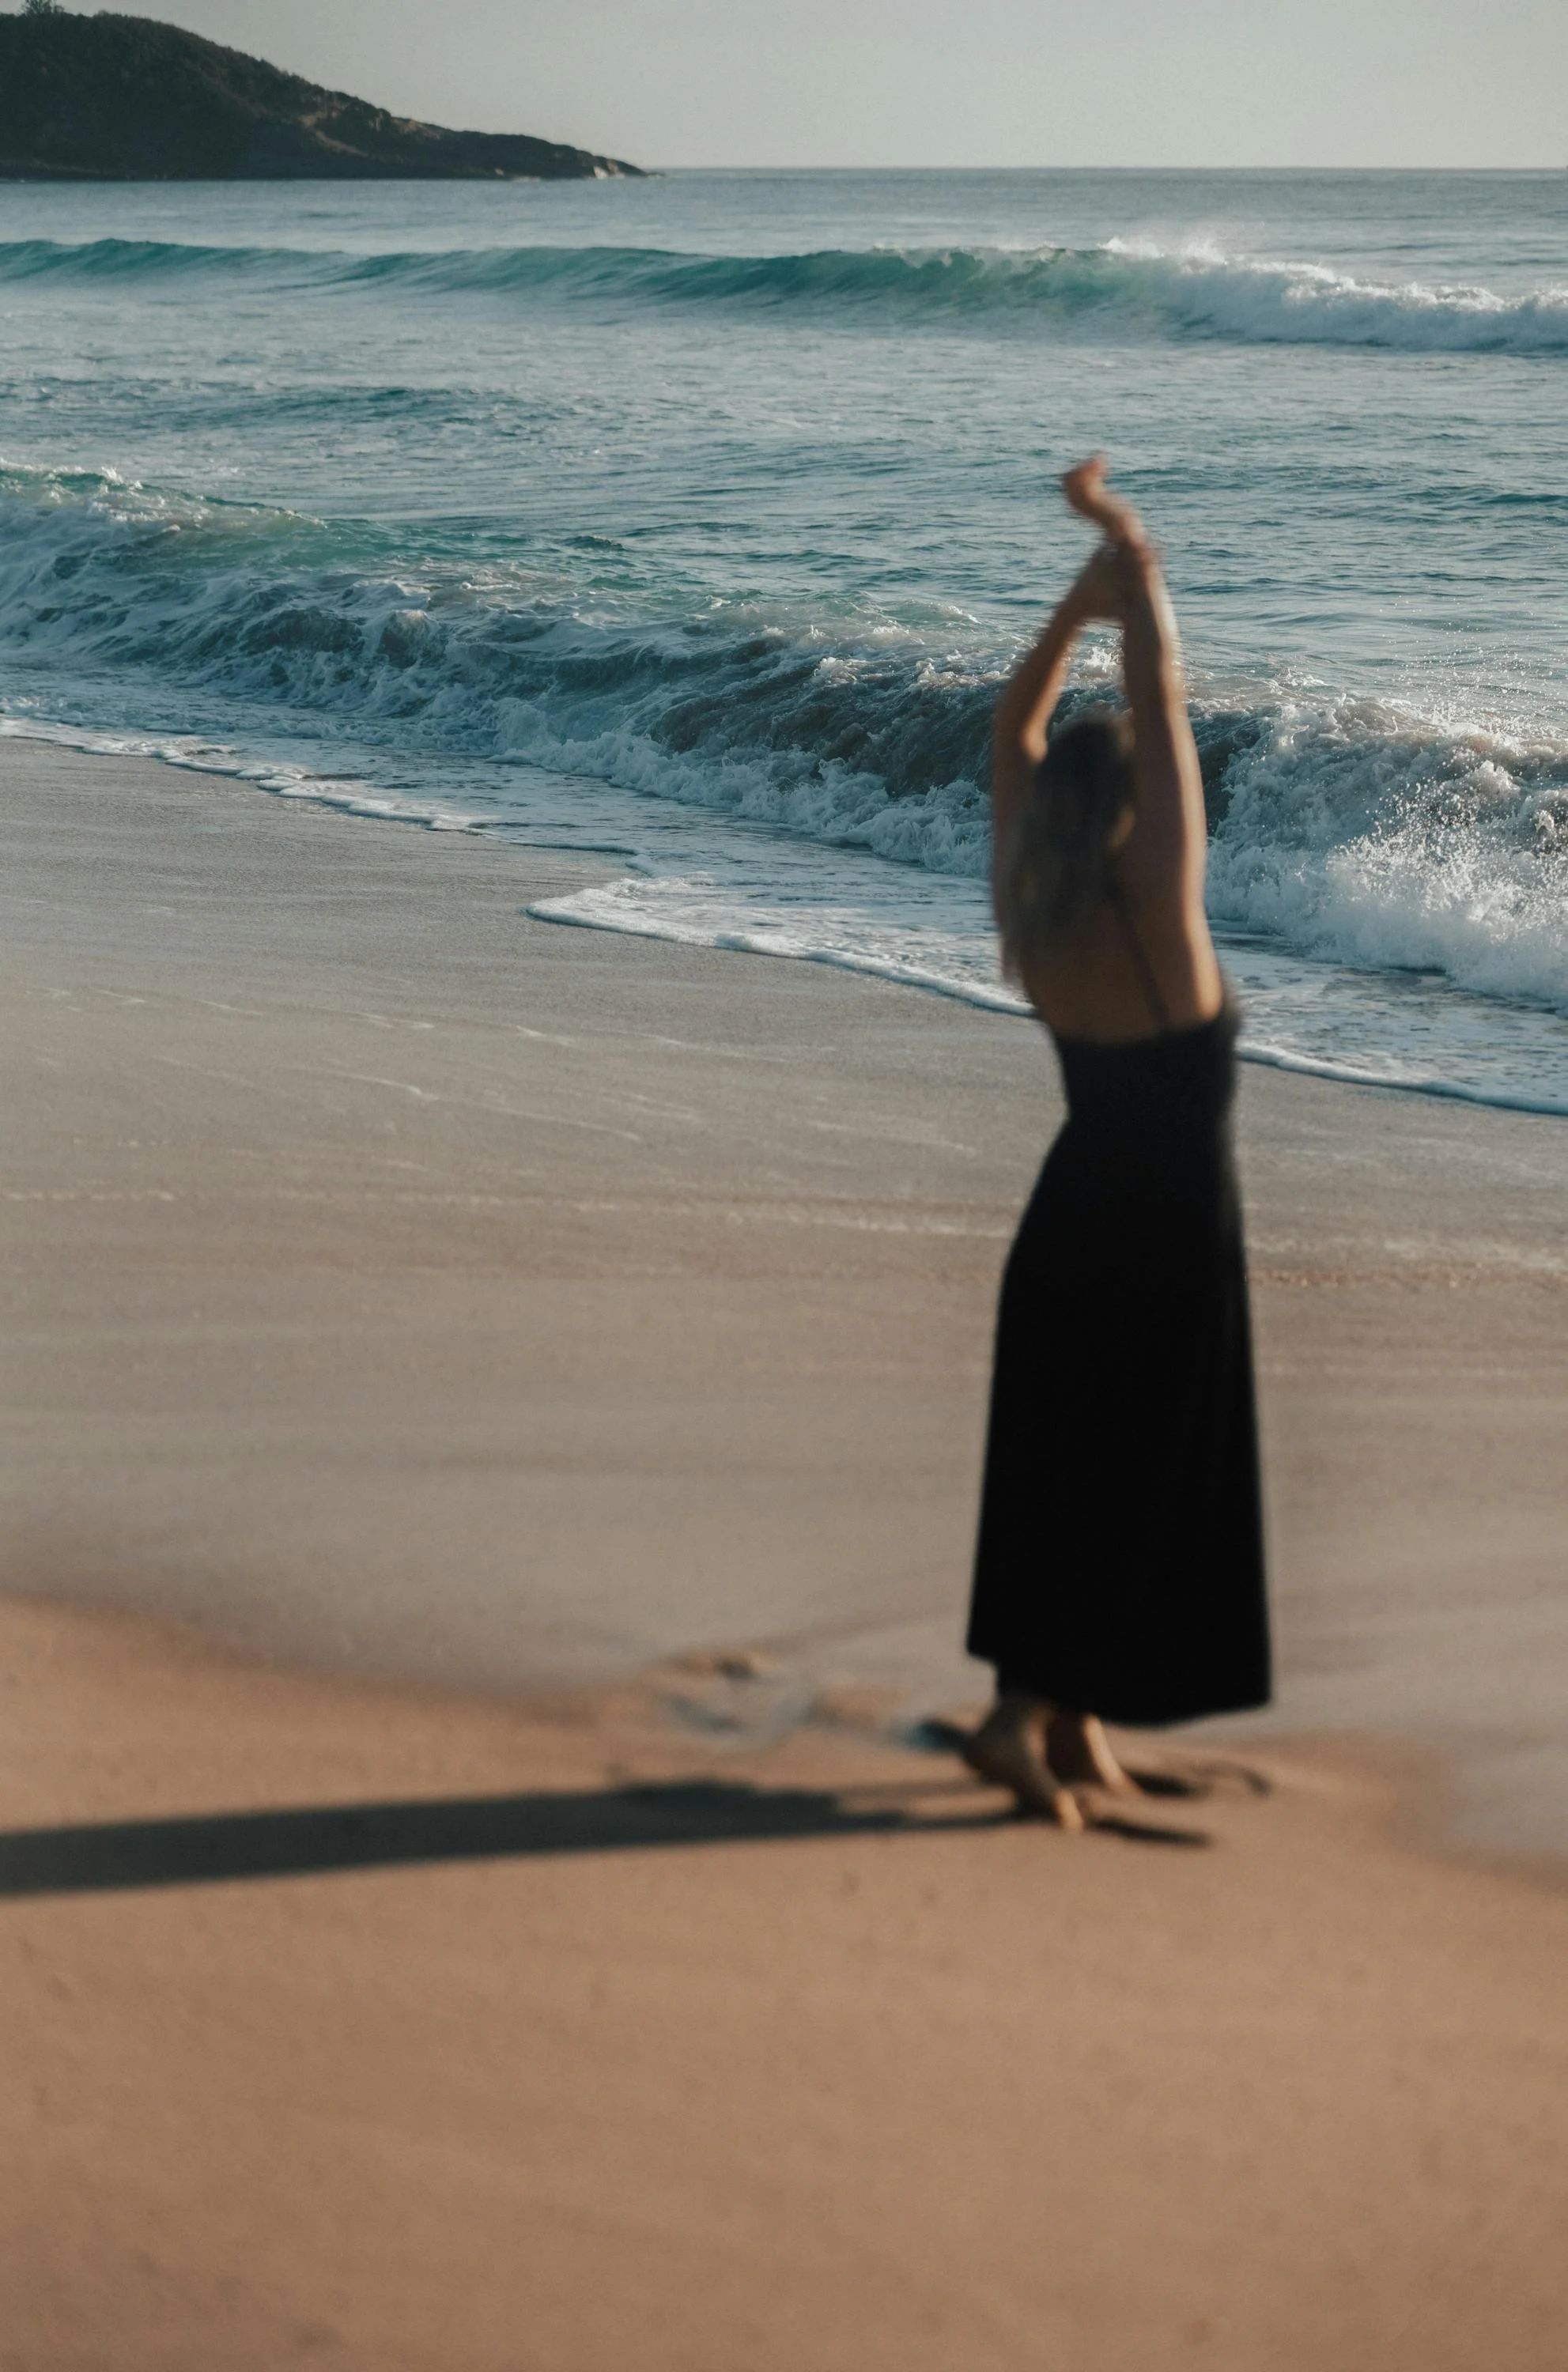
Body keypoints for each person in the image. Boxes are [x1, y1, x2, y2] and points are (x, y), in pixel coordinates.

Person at [962, 456, 1271, 1827]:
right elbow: (1163, 697)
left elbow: (1010, 737)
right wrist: (1126, 555)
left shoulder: (1037, 909)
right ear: (1134, 811)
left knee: (1064, 1464)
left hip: (1070, 1219)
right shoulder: (1159, 895)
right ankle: (1018, 1720)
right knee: (1132, 1475)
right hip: (1167, 1234)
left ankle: (1074, 1732)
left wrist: (1073, 607)